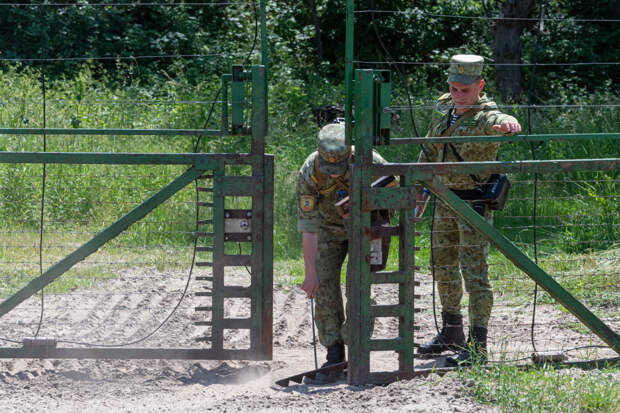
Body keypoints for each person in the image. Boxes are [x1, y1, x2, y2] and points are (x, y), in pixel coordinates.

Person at [415, 54, 521, 365]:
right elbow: (428, 150)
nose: (458, 94)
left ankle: (478, 345)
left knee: (474, 272)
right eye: (453, 88)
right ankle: (451, 330)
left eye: (464, 89)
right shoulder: (445, 111)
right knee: (443, 266)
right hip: (443, 199)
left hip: (473, 202)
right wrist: (421, 188)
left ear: (479, 86)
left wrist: (506, 123)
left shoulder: (485, 116)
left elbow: (499, 121)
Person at [297, 122, 392, 382]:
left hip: (365, 228)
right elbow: (309, 226)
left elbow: (396, 192)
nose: (335, 175)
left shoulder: (370, 160)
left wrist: (364, 202)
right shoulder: (310, 171)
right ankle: (334, 354)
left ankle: (358, 349)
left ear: (350, 154)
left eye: (339, 168)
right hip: (328, 230)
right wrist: (310, 273)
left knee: (359, 286)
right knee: (324, 284)